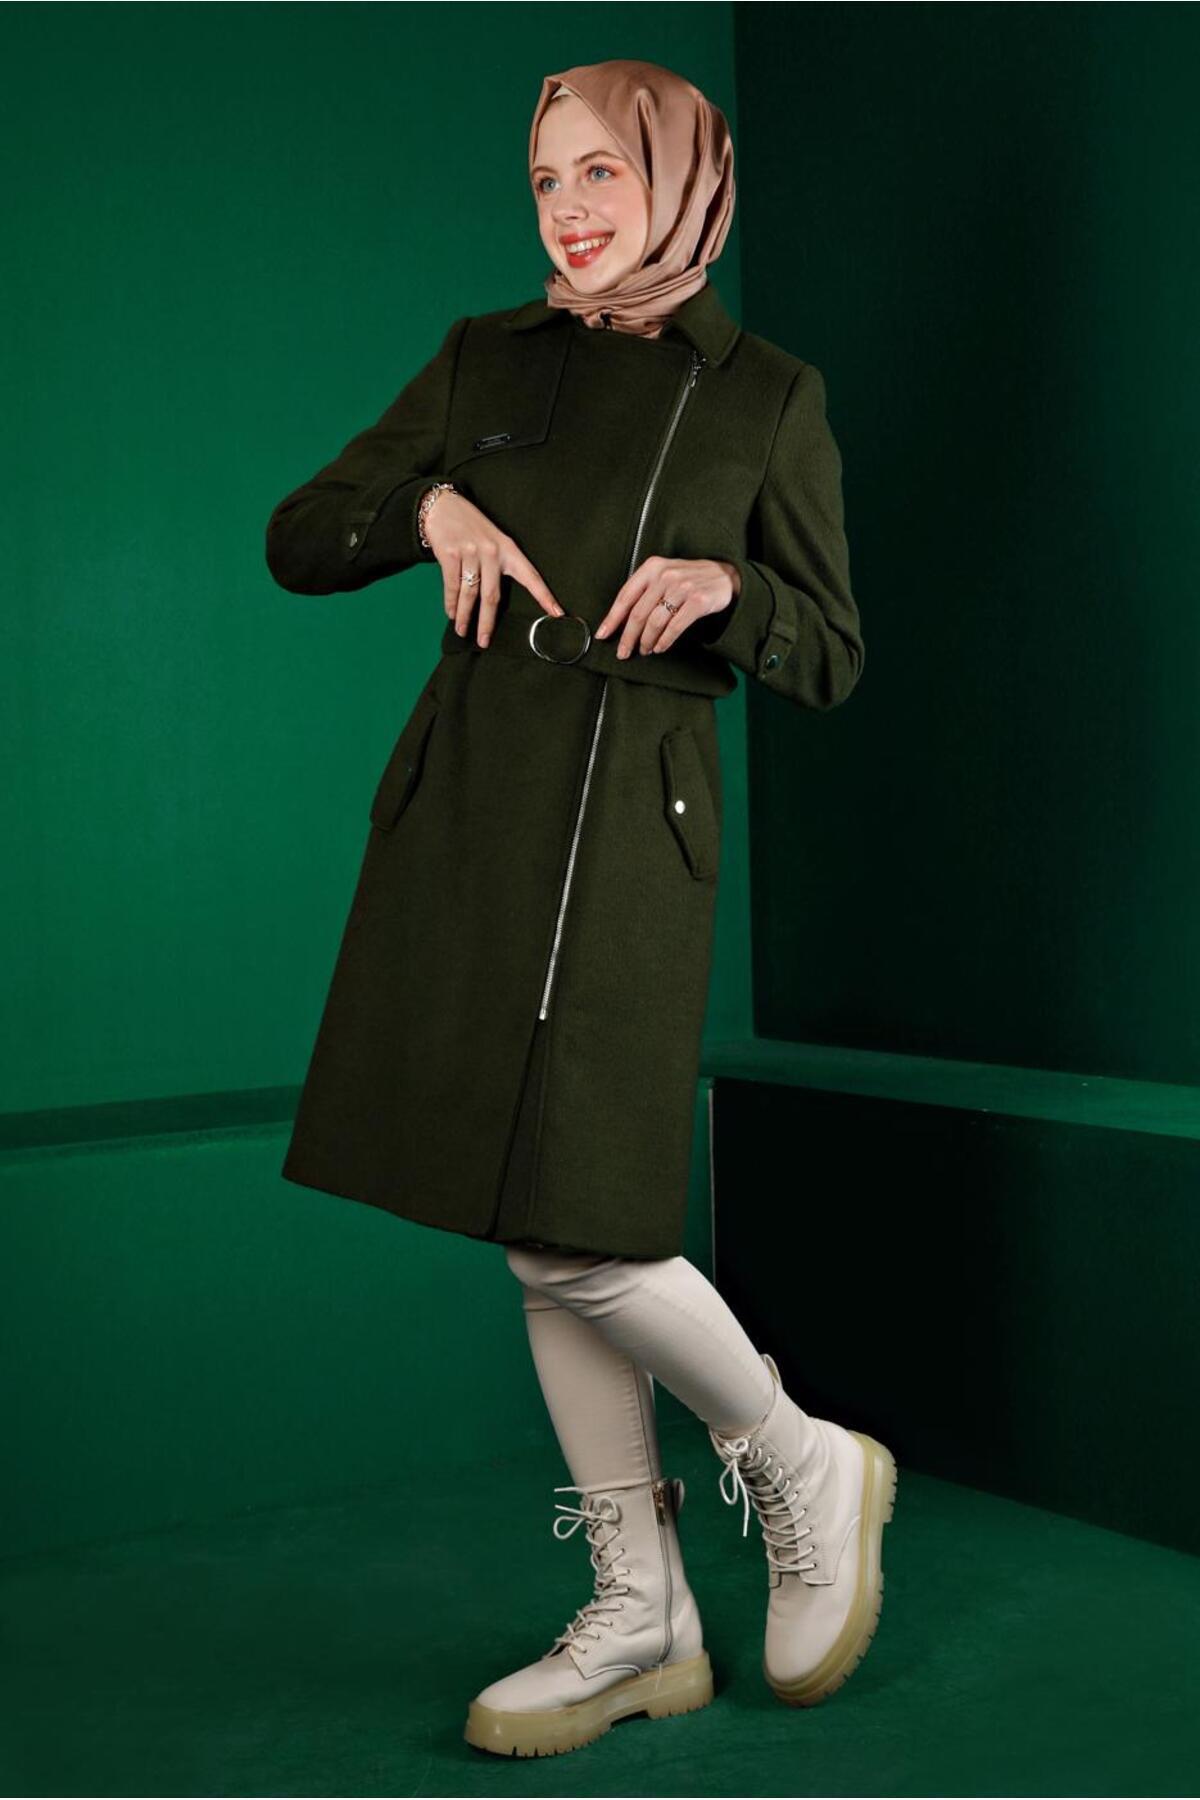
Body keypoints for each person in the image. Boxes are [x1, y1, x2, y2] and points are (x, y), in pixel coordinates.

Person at [265, 57, 894, 1762]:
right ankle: (645, 1613)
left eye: (604, 172)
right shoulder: (484, 358)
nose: (571, 211)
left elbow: (832, 650)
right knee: (541, 1221)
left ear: (684, 177)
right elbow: (299, 535)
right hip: (472, 814)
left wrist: (734, 589)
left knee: (577, 1224)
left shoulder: (768, 395)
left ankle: (796, 1463)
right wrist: (423, 506)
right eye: (547, 180)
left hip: (631, 837)